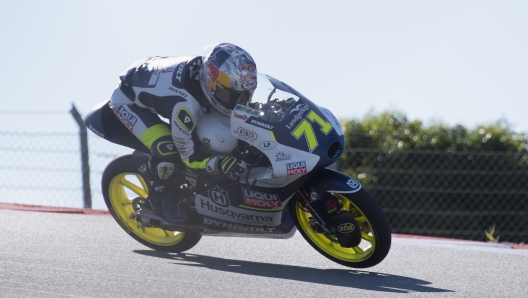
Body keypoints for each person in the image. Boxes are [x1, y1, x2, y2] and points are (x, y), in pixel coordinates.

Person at [109, 43, 258, 222]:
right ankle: (159, 199)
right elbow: (189, 157)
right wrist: (219, 164)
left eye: (244, 96)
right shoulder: (186, 106)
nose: (238, 103)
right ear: (212, 83)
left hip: (149, 72)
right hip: (127, 101)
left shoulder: (210, 74)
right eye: (232, 96)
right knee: (167, 149)